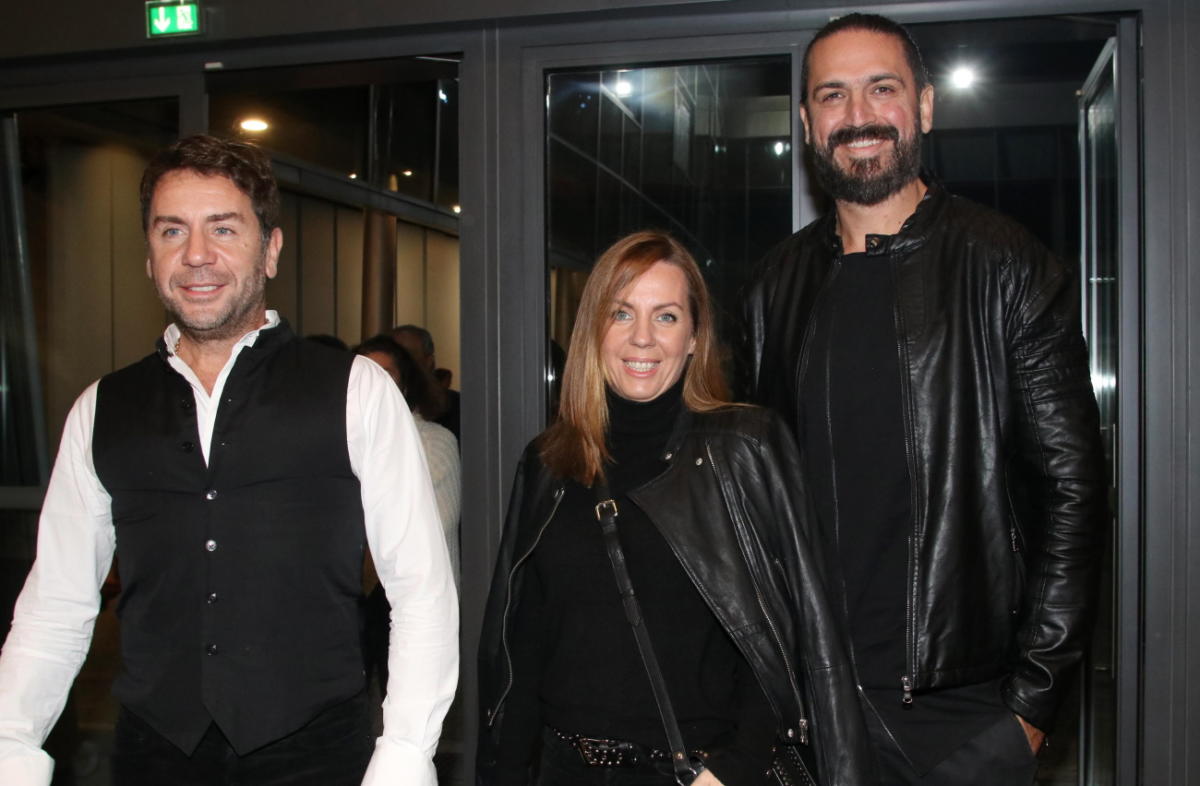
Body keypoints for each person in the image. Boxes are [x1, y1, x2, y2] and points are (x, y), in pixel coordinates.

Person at [0, 135, 458, 786]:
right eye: (172, 231)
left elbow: (420, 589)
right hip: (154, 755)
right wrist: (11, 746)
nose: (196, 255)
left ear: (270, 249)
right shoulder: (100, 408)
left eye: (223, 228)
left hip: (319, 756)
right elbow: (56, 605)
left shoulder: (356, 390)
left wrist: (405, 754)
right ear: (149, 256)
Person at [743, 14, 1106, 785]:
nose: (858, 115)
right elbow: (749, 499)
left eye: (882, 88)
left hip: (961, 718)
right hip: (808, 713)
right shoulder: (775, 285)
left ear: (926, 107)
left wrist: (1033, 709)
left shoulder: (1006, 264)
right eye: (833, 96)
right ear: (806, 123)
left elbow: (1072, 495)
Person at [478, 231, 872, 786]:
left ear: (694, 337)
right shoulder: (548, 463)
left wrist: (735, 767)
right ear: (593, 330)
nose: (642, 337)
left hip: (697, 773)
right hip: (563, 770)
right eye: (621, 313)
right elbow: (522, 648)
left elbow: (793, 631)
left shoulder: (744, 448)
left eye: (665, 317)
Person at [391, 324, 461, 440]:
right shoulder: (376, 406)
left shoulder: (458, 410)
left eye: (408, 356)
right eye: (393, 356)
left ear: (429, 361)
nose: (399, 364)